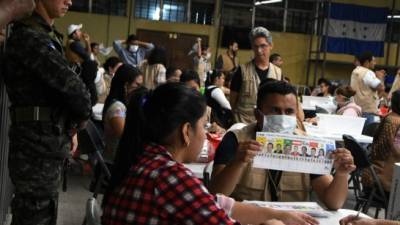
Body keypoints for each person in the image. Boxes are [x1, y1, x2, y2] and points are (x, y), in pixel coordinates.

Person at [101, 82, 318, 225]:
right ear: (186, 132)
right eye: (204, 126)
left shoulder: (146, 161)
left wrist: (279, 215)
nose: (206, 135)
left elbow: (218, 203)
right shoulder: (172, 177)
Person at [2, 0, 92, 224]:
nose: (69, 1)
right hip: (36, 149)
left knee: (43, 211)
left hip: (45, 144)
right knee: (36, 214)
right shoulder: (30, 38)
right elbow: (78, 94)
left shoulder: (45, 37)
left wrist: (71, 127)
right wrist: (79, 118)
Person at [210, 80, 355, 209]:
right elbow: (216, 194)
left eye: (289, 111)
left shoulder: (308, 146)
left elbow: (333, 203)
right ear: (257, 114)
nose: (283, 117)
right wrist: (237, 162)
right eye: (275, 110)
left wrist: (341, 175)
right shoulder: (236, 140)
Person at [230, 27, 282, 124]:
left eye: (263, 46)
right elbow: (232, 102)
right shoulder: (242, 71)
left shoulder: (278, 73)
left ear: (271, 46)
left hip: (268, 125)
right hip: (243, 124)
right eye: (256, 46)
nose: (259, 50)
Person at [102, 65, 144, 162]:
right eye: (137, 85)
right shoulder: (117, 108)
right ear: (125, 85)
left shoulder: (120, 104)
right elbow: (127, 138)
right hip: (116, 161)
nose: (139, 89)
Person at [362, 90, 400, 194]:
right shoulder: (394, 121)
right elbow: (390, 150)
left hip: (374, 173)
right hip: (384, 180)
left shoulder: (391, 117)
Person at [351, 51, 385, 126]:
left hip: (356, 109)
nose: (375, 63)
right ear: (367, 62)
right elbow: (381, 87)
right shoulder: (367, 72)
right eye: (373, 61)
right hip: (368, 112)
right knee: (367, 135)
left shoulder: (355, 71)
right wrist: (380, 77)